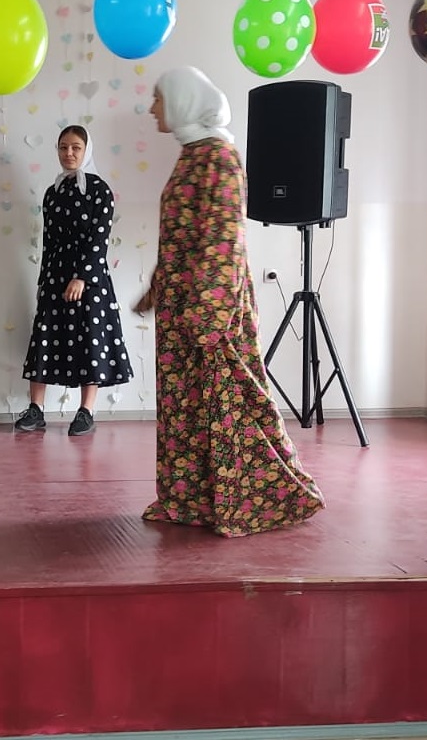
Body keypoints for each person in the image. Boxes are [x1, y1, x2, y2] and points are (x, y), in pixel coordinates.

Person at [133, 67, 324, 535]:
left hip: (210, 312)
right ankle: (192, 501)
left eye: (159, 99)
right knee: (188, 409)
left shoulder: (219, 158)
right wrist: (157, 291)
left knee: (232, 406)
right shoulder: (192, 155)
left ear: (183, 101)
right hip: (185, 310)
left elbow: (223, 241)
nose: (153, 108)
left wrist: (209, 317)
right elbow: (182, 238)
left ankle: (273, 497)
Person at [17, 125, 133, 436]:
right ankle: (36, 408)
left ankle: (86, 410)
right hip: (55, 274)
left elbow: (99, 238)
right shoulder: (52, 192)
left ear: (86, 150)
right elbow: (48, 240)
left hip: (89, 277)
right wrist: (44, 280)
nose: (68, 153)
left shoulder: (99, 189)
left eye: (76, 147)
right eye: (63, 147)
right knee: (45, 336)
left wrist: (82, 277)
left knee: (89, 339)